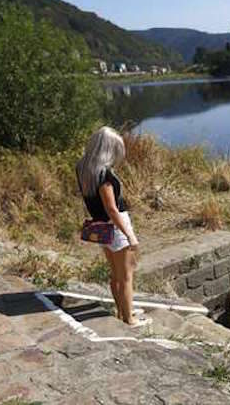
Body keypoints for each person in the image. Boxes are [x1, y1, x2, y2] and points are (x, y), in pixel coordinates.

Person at [76, 127, 151, 328]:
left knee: (115, 274)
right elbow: (111, 208)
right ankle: (130, 319)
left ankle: (121, 312)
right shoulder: (104, 176)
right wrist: (130, 235)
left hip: (101, 227)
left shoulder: (83, 168)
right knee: (126, 275)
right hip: (116, 227)